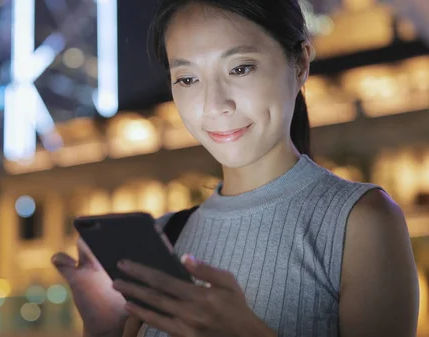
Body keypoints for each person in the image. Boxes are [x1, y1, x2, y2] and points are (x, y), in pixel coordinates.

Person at [51, 0, 420, 336]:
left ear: (301, 63)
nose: (214, 105)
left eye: (240, 68)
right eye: (188, 79)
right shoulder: (168, 236)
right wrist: (103, 326)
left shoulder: (361, 222)